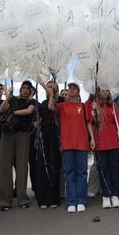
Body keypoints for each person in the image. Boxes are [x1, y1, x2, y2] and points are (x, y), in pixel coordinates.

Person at [49, 82, 94, 213]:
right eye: (69, 89)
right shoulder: (62, 106)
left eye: (74, 89)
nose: (71, 90)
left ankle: (81, 200)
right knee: (69, 172)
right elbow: (50, 107)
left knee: (81, 172)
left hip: (82, 143)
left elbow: (88, 123)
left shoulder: (83, 106)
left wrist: (92, 139)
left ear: (78, 92)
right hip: (68, 143)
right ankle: (71, 201)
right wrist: (52, 93)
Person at [0, 81, 36, 211]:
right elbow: (2, 109)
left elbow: (28, 112)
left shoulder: (32, 102)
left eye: (28, 89)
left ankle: (22, 198)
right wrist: (8, 96)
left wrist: (13, 113)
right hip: (7, 133)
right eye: (23, 88)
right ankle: (4, 201)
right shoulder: (12, 99)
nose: (25, 90)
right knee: (5, 167)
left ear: (31, 91)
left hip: (23, 135)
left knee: (22, 166)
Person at [86, 88, 119, 208]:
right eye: (102, 90)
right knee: (103, 169)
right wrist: (93, 110)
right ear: (98, 92)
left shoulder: (112, 106)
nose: (105, 92)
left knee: (115, 168)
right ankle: (106, 195)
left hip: (113, 141)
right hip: (100, 142)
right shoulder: (93, 105)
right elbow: (90, 122)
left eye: (107, 90)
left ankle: (115, 195)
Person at [32, 81, 62, 209]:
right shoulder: (41, 103)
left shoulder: (60, 101)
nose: (49, 89)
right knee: (42, 165)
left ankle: (54, 197)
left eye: (52, 87)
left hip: (55, 134)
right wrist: (37, 123)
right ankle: (42, 198)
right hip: (43, 135)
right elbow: (40, 118)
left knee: (54, 164)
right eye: (48, 86)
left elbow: (52, 107)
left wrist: (43, 83)